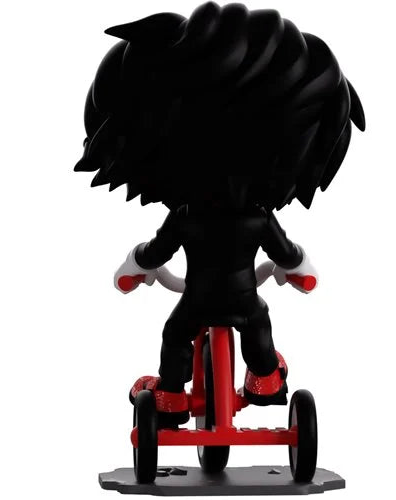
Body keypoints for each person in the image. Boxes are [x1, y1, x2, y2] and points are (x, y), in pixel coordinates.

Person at [75, 2, 365, 427]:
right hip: (243, 299)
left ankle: (170, 395)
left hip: (197, 299)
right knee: (259, 327)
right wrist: (298, 269)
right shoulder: (259, 219)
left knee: (176, 335)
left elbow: (155, 252)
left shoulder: (184, 218)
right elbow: (286, 253)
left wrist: (136, 266)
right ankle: (265, 378)